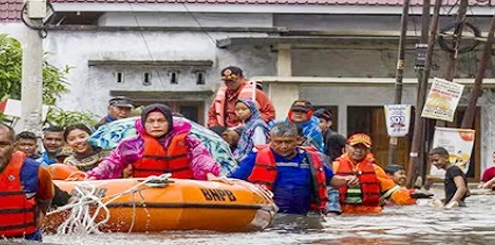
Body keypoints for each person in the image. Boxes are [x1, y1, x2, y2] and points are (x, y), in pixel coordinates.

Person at [230, 121, 346, 215]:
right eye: (278, 142)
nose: (284, 146)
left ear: (298, 140)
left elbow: (330, 180)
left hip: (306, 215)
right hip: (270, 214)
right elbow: (233, 180)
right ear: (270, 140)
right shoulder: (256, 157)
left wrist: (348, 180)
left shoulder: (310, 158)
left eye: (288, 142)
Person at [87, 104, 221, 181]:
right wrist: (93, 177)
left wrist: (210, 175)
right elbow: (112, 163)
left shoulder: (188, 141)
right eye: (151, 121)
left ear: (169, 123)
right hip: (146, 190)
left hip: (184, 187)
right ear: (144, 124)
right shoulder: (132, 144)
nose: (156, 125)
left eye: (161, 121)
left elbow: (201, 158)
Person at [334, 134, 423, 209]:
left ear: (368, 151)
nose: (359, 150)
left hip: (371, 214)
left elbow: (394, 193)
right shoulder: (334, 167)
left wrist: (414, 195)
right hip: (342, 214)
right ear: (346, 148)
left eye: (363, 148)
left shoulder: (375, 170)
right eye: (355, 147)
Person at [208, 66, 275, 128]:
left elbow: (270, 113)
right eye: (227, 81)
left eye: (233, 80)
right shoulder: (222, 95)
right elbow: (212, 115)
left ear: (242, 78)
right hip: (225, 130)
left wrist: (253, 122)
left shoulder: (255, 93)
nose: (229, 83)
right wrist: (214, 126)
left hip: (248, 128)